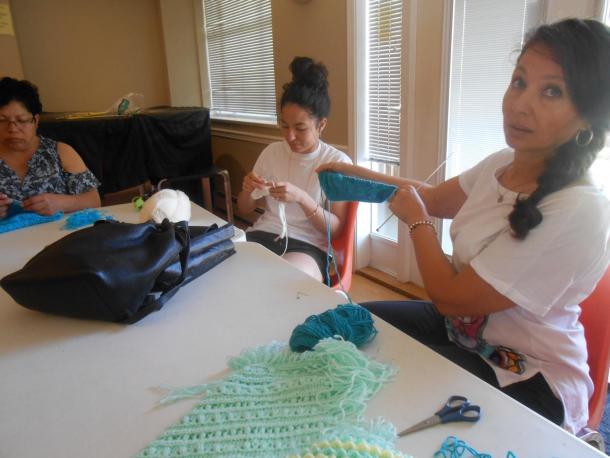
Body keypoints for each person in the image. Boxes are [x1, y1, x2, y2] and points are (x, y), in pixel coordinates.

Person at [317, 18, 610, 434]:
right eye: (519, 82)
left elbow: (453, 297)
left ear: (587, 117)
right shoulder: (501, 164)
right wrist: (355, 173)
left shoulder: (579, 209)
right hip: (465, 334)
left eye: (552, 91)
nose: (520, 104)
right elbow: (435, 199)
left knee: (390, 393)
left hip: (532, 376)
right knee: (351, 327)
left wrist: (416, 222)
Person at [237, 57, 352, 282]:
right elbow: (243, 209)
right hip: (261, 235)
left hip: (307, 248)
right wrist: (247, 189)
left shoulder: (337, 163)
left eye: (300, 128)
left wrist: (301, 197)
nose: (290, 136)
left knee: (282, 282)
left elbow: (336, 230)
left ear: (321, 125)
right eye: (284, 126)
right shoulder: (271, 152)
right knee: (223, 269)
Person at [0, 77, 101, 218]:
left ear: (36, 120)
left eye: (22, 120)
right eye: (2, 120)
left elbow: (94, 200)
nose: (12, 129)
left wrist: (62, 203)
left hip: (58, 236)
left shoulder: (60, 152)